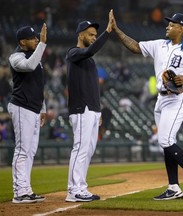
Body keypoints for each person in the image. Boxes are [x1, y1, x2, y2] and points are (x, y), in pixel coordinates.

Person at [111, 11, 183, 200]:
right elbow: (135, 47)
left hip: (177, 99)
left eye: (172, 24)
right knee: (165, 142)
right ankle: (173, 187)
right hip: (161, 99)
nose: (168, 26)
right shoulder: (159, 45)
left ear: (181, 28)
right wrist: (116, 30)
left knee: (165, 140)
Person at [65, 10, 113, 202]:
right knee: (81, 148)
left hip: (92, 109)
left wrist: (98, 109)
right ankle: (73, 190)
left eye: (96, 34)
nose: (93, 37)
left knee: (88, 150)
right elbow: (89, 50)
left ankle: (81, 188)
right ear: (80, 35)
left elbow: (93, 87)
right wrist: (107, 32)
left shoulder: (88, 59)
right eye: (91, 34)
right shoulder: (74, 53)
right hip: (81, 108)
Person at [8, 24, 47, 204]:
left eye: (37, 37)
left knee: (30, 152)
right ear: (23, 41)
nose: (37, 40)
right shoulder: (16, 56)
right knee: (22, 150)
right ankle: (19, 192)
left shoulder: (34, 56)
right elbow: (29, 67)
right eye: (33, 38)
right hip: (21, 106)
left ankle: (26, 189)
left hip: (34, 108)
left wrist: (43, 108)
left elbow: (39, 85)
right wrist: (42, 45)